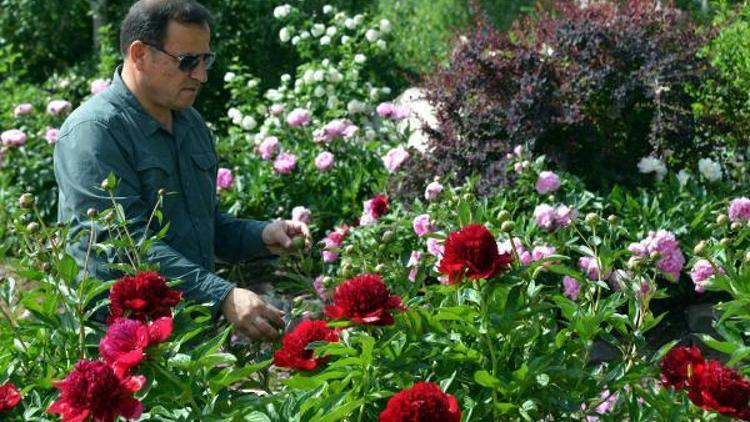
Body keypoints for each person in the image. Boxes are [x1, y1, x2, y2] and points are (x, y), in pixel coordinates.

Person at [53, 0, 309, 341]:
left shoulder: (190, 123)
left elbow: (204, 224)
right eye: (187, 61)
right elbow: (124, 247)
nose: (201, 75)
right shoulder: (94, 132)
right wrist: (222, 295)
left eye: (206, 60)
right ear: (139, 54)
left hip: (191, 333)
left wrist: (261, 234)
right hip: (119, 342)